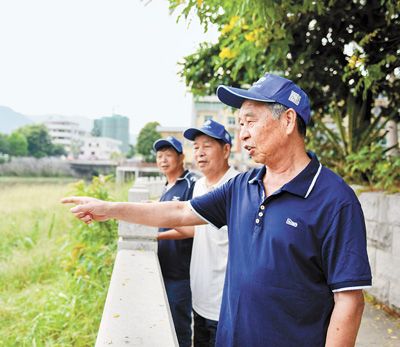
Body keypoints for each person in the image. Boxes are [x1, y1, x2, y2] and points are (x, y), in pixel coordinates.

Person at [62, 73, 372, 347]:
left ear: (288, 120)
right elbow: (182, 212)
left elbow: (349, 300)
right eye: (239, 124)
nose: (242, 134)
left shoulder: (334, 200)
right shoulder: (244, 185)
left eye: (250, 120)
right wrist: (111, 208)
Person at [158, 120, 239, 346]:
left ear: (226, 150)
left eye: (207, 146)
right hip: (200, 295)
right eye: (196, 147)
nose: (200, 153)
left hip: (226, 302)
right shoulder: (200, 186)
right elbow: (196, 230)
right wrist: (154, 233)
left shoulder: (237, 187)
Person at [152, 136, 196, 347]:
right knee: (166, 325)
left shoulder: (190, 184)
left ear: (181, 158)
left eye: (168, 155)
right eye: (160, 156)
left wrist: (158, 235)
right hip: (164, 267)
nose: (163, 160)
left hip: (181, 272)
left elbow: (192, 230)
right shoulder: (166, 186)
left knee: (179, 328)